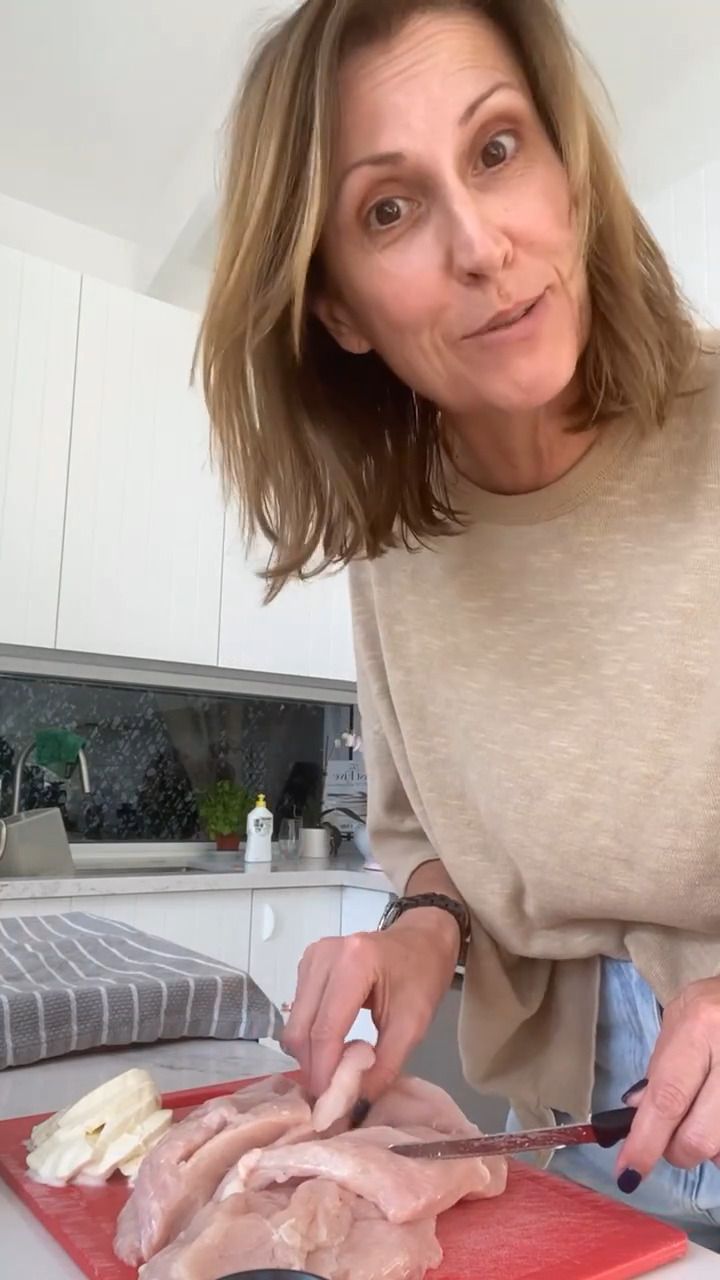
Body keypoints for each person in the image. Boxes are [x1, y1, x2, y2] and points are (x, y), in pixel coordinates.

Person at [198, 0, 720, 1248]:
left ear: (567, 171)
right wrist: (423, 922)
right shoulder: (396, 540)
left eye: (496, 148)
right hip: (568, 1119)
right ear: (340, 310)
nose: (481, 245)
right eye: (390, 209)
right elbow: (429, 832)